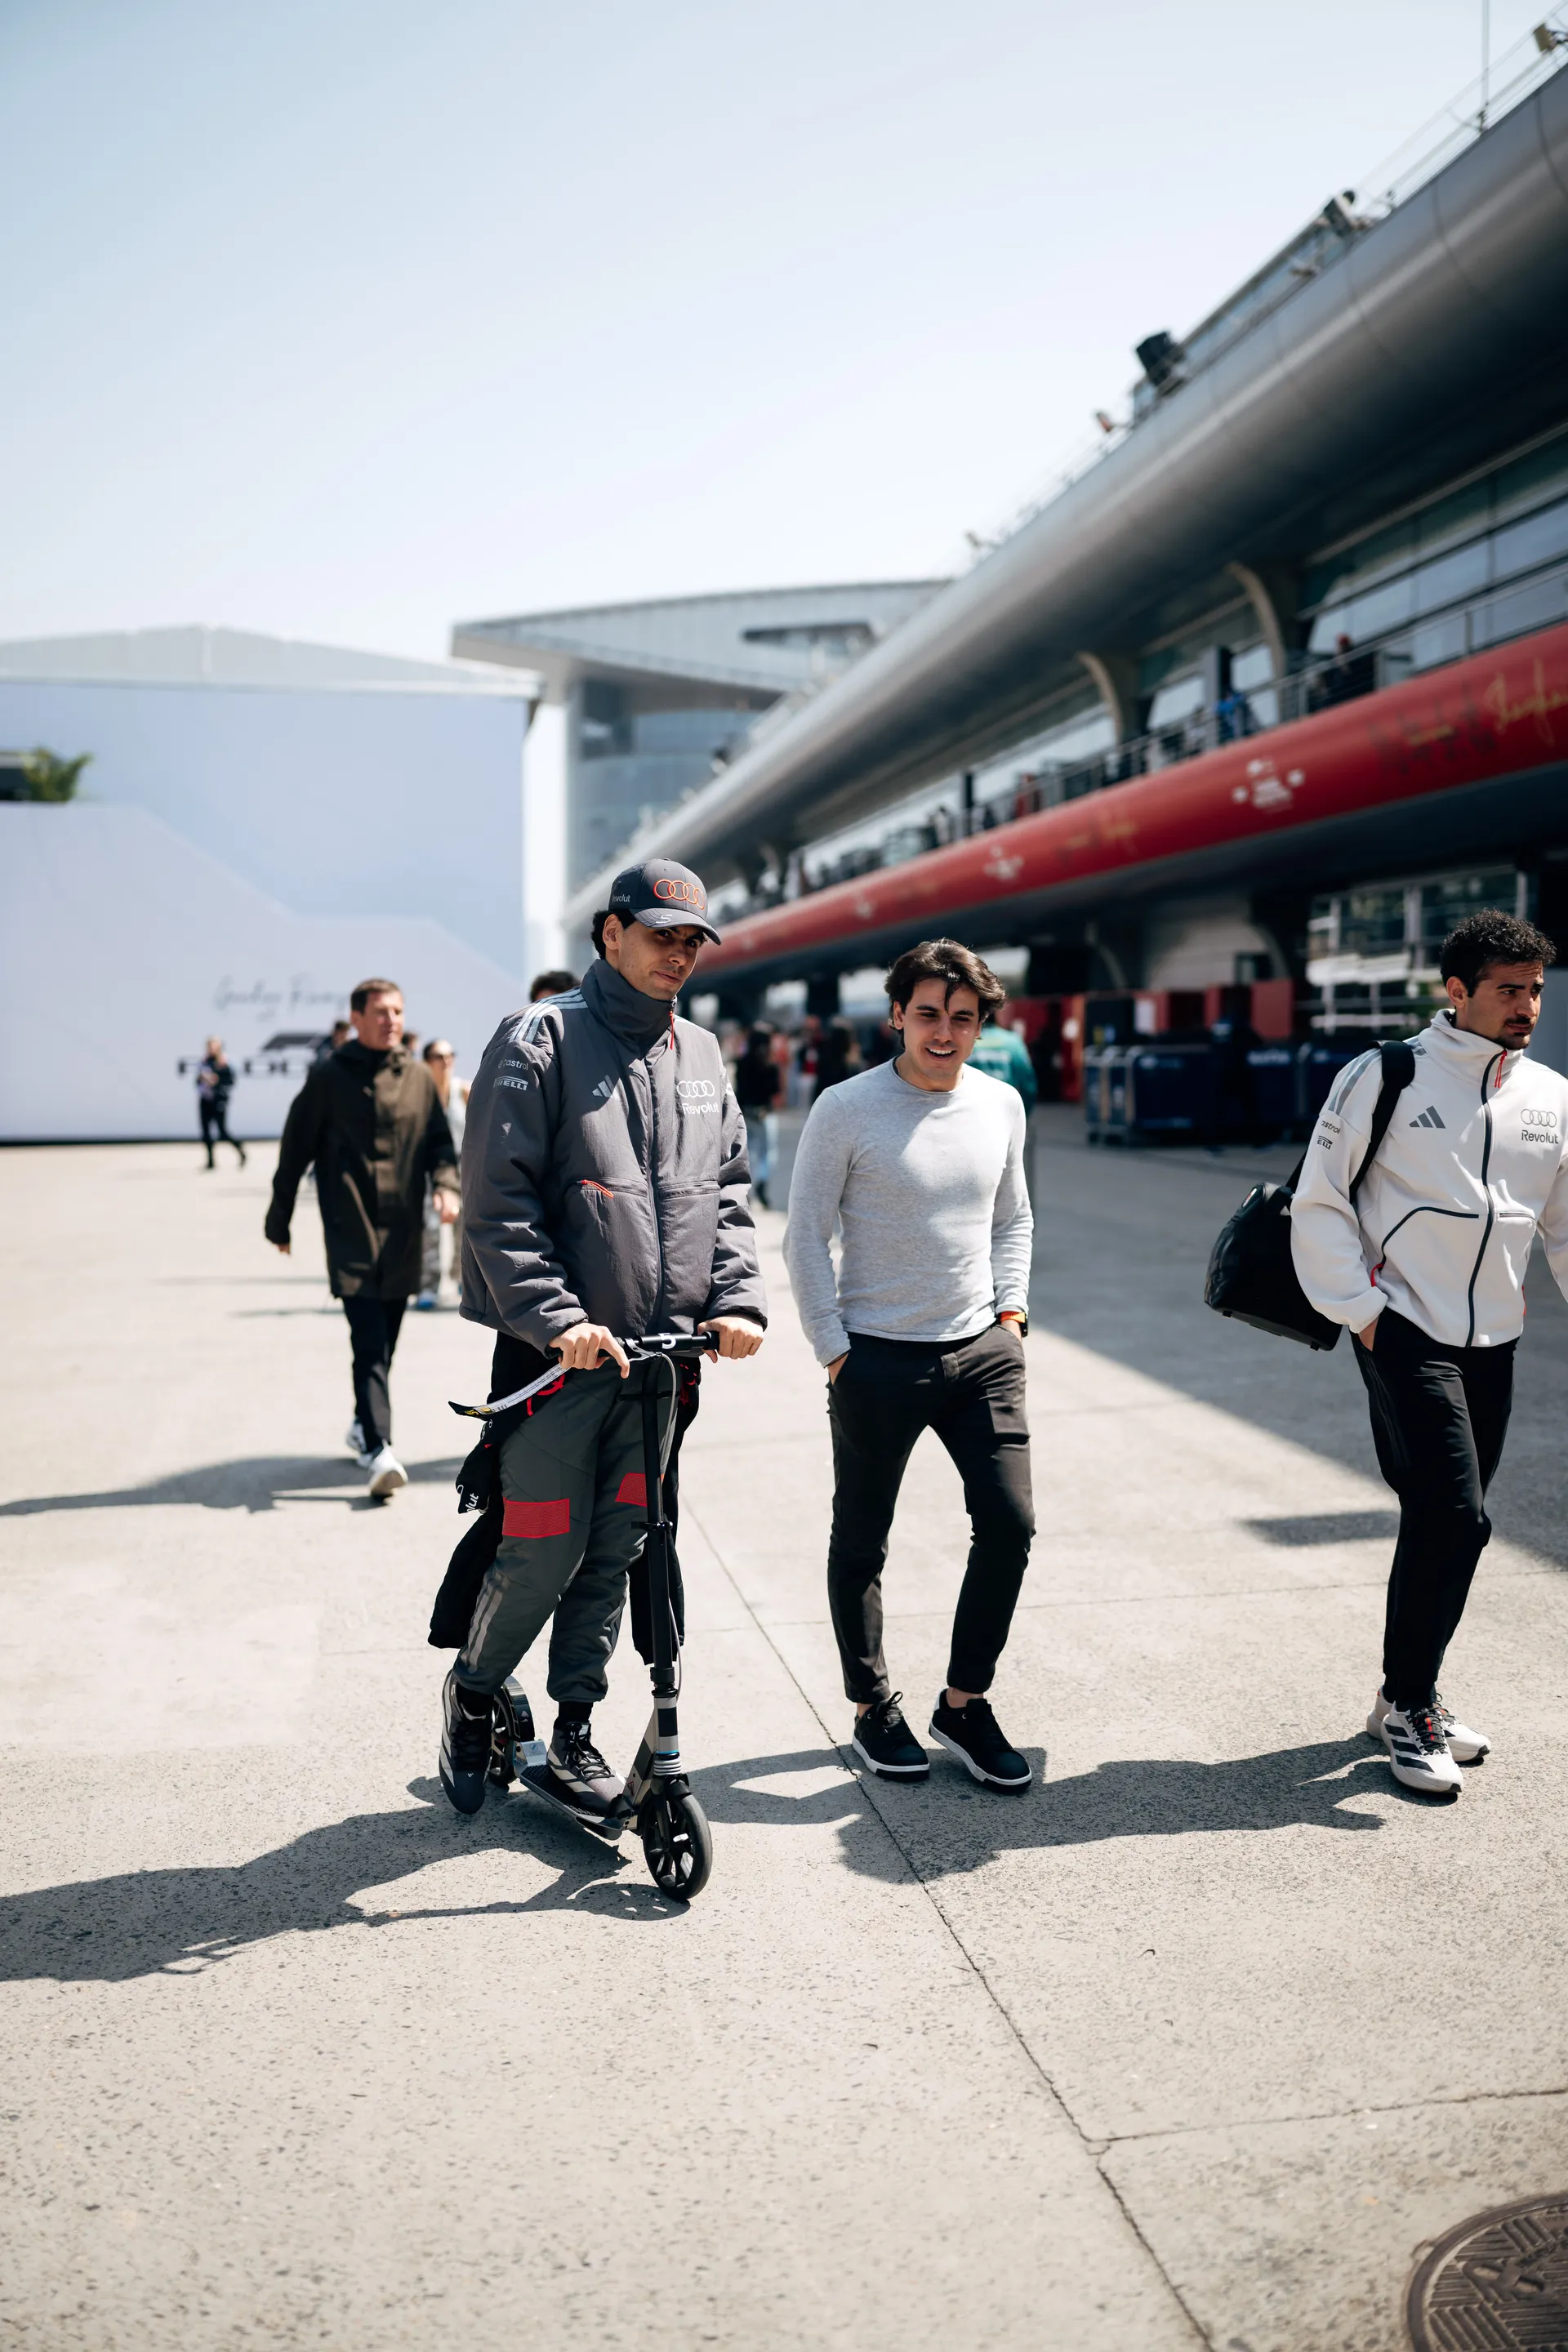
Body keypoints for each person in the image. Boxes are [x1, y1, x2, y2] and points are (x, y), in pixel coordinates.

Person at [437, 858, 767, 1822]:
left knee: (622, 1547)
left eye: (692, 941)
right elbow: (497, 1208)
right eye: (661, 934)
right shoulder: (538, 1041)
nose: (678, 955)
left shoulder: (702, 1057)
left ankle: (574, 1722)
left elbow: (733, 1195)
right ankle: (474, 1691)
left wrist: (737, 1301)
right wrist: (559, 1319)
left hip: (663, 1365)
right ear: (609, 933)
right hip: (558, 1363)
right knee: (543, 1545)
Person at [1291, 909, 1568, 1797]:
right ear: (1457, 992)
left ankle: (1400, 1700)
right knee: (1459, 1517)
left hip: (1496, 1336)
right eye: (1507, 990)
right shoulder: (1387, 1075)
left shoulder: (1551, 1098)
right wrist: (1364, 1313)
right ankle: (1414, 1707)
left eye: (1534, 989)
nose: (1526, 1006)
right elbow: (1321, 1200)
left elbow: (1561, 1226)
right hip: (1405, 1326)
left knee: (1442, 1518)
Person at [782, 938, 1035, 1792]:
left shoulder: (1001, 1105)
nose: (944, 1031)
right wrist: (834, 1350)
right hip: (877, 1357)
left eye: (962, 1018)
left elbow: (1013, 1219)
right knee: (863, 1540)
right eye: (928, 1013)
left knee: (1010, 1525)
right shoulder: (846, 1109)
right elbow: (804, 1234)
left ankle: (963, 1704)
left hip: (982, 1355)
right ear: (897, 1015)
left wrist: (1012, 1313)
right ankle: (871, 1705)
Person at [265, 978, 458, 1499]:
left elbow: (441, 1145)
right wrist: (279, 1219)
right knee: (369, 1344)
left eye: (396, 1011)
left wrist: (445, 1187)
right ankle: (379, 1447)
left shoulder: (418, 1076)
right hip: (350, 1232)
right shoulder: (330, 1077)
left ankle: (360, 1422)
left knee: (386, 1342)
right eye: (379, 1012)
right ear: (356, 1018)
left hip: (402, 1236)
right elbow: (295, 1148)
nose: (390, 1020)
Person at [416, 1039, 469, 1308]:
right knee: (431, 1228)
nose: (445, 1062)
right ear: (427, 1061)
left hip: (462, 1167)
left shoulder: (463, 1091)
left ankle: (462, 1279)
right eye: (438, 1056)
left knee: (466, 1227)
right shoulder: (418, 1092)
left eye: (450, 1056)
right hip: (430, 1169)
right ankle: (428, 1284)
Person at [733, 1022, 782, 1207]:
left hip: (747, 1112)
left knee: (749, 1151)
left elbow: (739, 1088)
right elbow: (775, 1090)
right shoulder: (771, 1065)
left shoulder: (742, 1062)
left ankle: (748, 1187)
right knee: (768, 1151)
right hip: (765, 1113)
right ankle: (763, 1180)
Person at [195, 1037, 245, 1169]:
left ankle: (241, 1150)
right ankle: (211, 1161)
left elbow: (231, 1082)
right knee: (206, 1133)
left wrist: (217, 1081)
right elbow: (197, 1082)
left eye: (214, 1046)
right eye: (209, 1046)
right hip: (205, 1100)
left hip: (219, 1101)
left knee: (222, 1132)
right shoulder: (204, 1062)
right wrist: (202, 1079)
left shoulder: (225, 1063)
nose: (211, 1049)